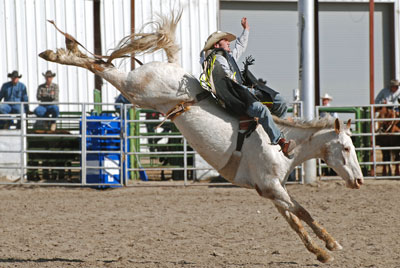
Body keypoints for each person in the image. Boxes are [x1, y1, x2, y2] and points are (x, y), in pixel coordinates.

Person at [200, 18, 295, 158]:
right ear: (216, 45)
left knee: (280, 101)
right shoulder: (217, 59)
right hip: (238, 97)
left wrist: (246, 30)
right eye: (225, 40)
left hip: (243, 93)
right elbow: (227, 77)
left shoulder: (227, 57)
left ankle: (276, 130)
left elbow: (240, 46)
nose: (228, 42)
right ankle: (281, 142)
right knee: (264, 108)